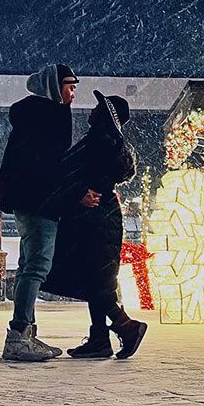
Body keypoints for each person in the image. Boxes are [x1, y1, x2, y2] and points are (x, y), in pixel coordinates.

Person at [41, 91, 148, 360]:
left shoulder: (102, 140)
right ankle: (100, 338)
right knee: (97, 277)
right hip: (100, 215)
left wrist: (78, 192)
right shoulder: (106, 140)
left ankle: (126, 326)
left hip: (94, 216)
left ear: (106, 114)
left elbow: (79, 173)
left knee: (95, 277)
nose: (92, 110)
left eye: (98, 107)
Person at [0, 63, 79, 362]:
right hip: (40, 201)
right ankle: (19, 335)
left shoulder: (32, 117)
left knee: (29, 264)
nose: (73, 94)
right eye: (69, 87)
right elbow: (51, 166)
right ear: (54, 88)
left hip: (27, 200)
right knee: (36, 266)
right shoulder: (49, 117)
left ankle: (26, 332)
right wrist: (70, 194)